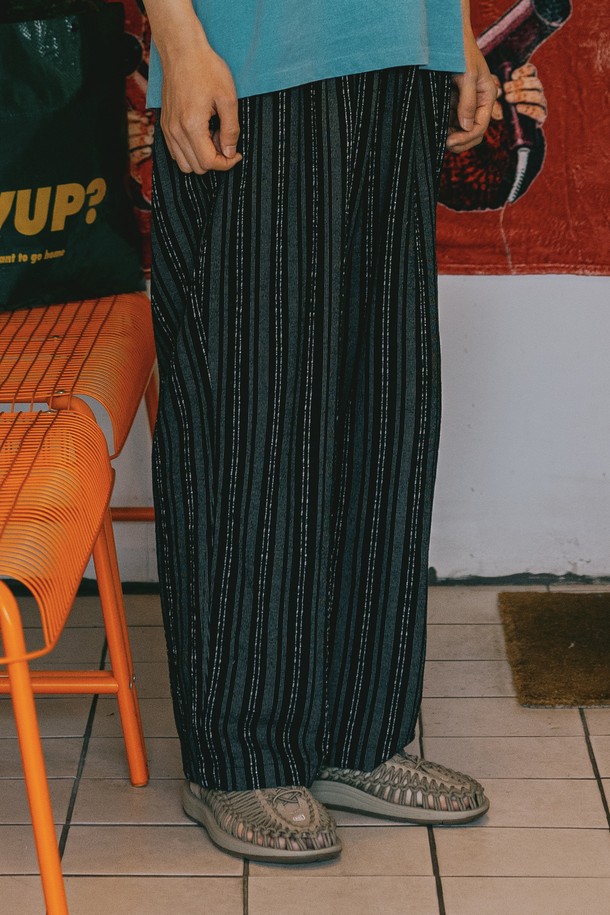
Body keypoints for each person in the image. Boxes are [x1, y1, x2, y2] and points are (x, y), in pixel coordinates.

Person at [143, 0, 497, 864]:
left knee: (385, 393)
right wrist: (180, 40)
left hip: (401, 53)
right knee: (248, 400)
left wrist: (453, 34)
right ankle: (239, 755)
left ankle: (358, 734)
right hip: (250, 59)